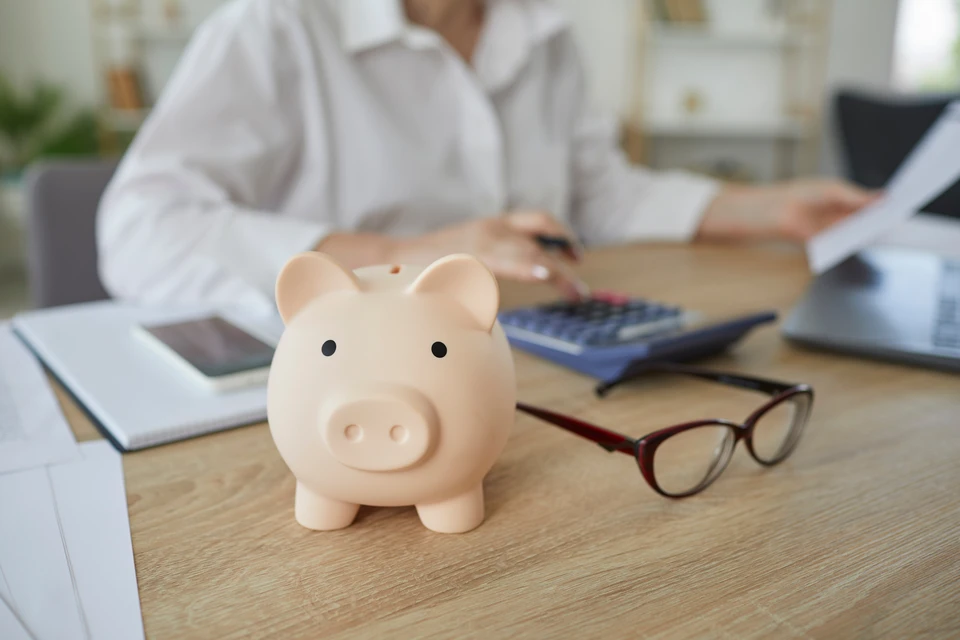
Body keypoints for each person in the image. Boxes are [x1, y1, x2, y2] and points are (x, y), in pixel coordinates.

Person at [97, 0, 876, 308]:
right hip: (344, 378)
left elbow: (595, 198)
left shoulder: (547, 36)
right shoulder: (274, 26)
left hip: (527, 351)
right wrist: (406, 253)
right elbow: (139, 229)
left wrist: (769, 208)